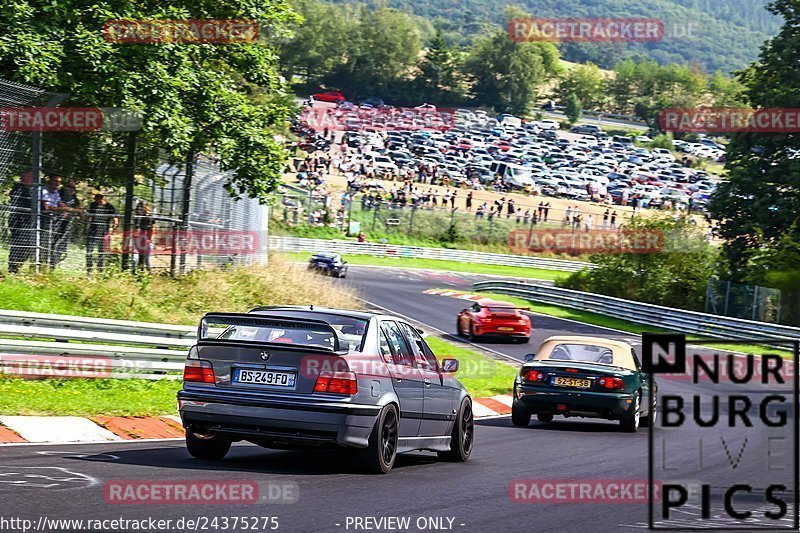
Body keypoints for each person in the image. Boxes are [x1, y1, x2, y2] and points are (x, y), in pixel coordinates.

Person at [7, 170, 34, 273]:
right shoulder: (18, 188)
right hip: (18, 221)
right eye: (30, 177)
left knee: (26, 246)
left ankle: (16, 267)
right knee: (18, 245)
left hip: (27, 221)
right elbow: (17, 202)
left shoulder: (30, 190)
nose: (32, 180)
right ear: (24, 177)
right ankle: (13, 268)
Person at [85, 194, 118, 275]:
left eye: (99, 199)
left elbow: (115, 218)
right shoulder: (93, 205)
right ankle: (89, 271)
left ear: (103, 199)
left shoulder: (109, 207)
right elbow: (88, 217)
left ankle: (100, 271)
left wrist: (113, 228)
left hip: (103, 230)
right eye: (96, 200)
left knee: (101, 252)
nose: (97, 201)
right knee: (89, 251)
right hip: (93, 230)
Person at [52, 178, 82, 266]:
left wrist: (80, 215)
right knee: (54, 240)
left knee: (62, 242)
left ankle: (56, 259)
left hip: (67, 223)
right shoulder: (59, 193)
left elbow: (79, 208)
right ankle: (50, 259)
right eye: (70, 187)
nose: (72, 189)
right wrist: (65, 210)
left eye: (73, 188)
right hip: (56, 221)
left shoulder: (74, 197)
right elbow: (58, 205)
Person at [39, 175, 65, 267]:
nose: (57, 184)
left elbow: (60, 204)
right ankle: (38, 263)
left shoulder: (56, 192)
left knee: (52, 242)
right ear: (50, 181)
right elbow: (46, 206)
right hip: (42, 220)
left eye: (59, 182)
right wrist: (60, 209)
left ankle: (47, 263)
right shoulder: (44, 190)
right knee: (42, 242)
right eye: (56, 181)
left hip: (53, 221)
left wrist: (67, 209)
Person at [133, 201, 154, 273]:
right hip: (137, 239)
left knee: (146, 259)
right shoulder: (136, 217)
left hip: (146, 239)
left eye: (141, 207)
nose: (139, 209)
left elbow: (152, 228)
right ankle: (135, 272)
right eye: (138, 207)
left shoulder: (149, 217)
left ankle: (149, 273)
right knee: (135, 258)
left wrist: (149, 238)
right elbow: (134, 228)